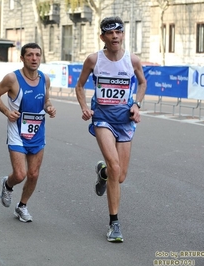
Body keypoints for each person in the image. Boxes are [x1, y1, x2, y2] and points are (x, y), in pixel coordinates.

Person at [75, 16, 147, 242]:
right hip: (102, 118)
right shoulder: (93, 59)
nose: (115, 36)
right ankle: (114, 224)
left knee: (120, 175)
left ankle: (102, 172)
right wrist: (85, 107)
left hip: (125, 120)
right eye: (110, 33)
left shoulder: (132, 60)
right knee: (115, 167)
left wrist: (137, 104)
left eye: (118, 32)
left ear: (123, 35)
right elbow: (79, 85)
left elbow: (143, 83)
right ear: (102, 37)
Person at [0, 43, 56, 223]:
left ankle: (22, 206)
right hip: (17, 132)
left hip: (37, 132)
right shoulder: (12, 79)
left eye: (37, 55)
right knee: (20, 174)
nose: (34, 59)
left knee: (33, 174)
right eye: (30, 55)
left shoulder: (45, 79)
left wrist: (49, 108)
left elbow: (46, 101)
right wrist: (7, 112)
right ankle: (7, 184)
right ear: (22, 58)